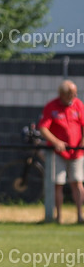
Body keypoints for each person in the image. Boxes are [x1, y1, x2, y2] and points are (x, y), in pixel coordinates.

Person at [37, 79, 84, 223]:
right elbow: (43, 128)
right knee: (58, 184)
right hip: (58, 153)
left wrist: (82, 143)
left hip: (77, 153)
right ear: (62, 94)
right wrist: (56, 142)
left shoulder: (78, 105)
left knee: (77, 182)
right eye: (71, 93)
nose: (74, 96)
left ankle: (80, 216)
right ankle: (58, 217)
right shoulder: (52, 106)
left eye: (75, 93)